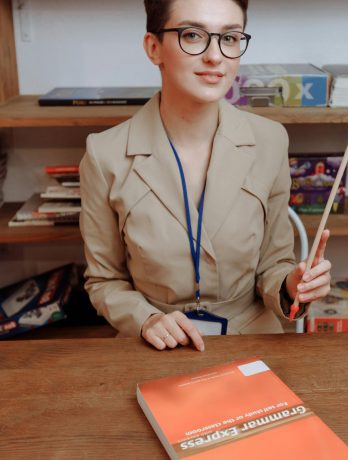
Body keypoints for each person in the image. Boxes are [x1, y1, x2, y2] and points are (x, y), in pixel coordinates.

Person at [79, 0, 331, 352]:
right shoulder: (104, 155)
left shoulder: (270, 141)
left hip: (254, 338)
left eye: (229, 38)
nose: (215, 56)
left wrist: (292, 283)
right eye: (193, 35)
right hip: (155, 344)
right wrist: (146, 319)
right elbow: (104, 280)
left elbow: (274, 265)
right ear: (154, 48)